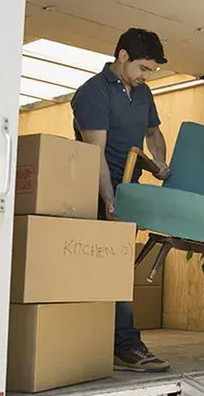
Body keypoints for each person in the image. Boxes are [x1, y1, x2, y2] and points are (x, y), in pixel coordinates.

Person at [72, 28, 171, 373]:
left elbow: (153, 132)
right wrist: (110, 200)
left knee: (116, 269)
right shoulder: (93, 93)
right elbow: (94, 153)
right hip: (98, 190)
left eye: (152, 72)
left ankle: (114, 342)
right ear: (123, 56)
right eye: (144, 68)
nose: (147, 77)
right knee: (110, 270)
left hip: (130, 191)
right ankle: (126, 345)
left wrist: (159, 161)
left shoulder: (143, 93)